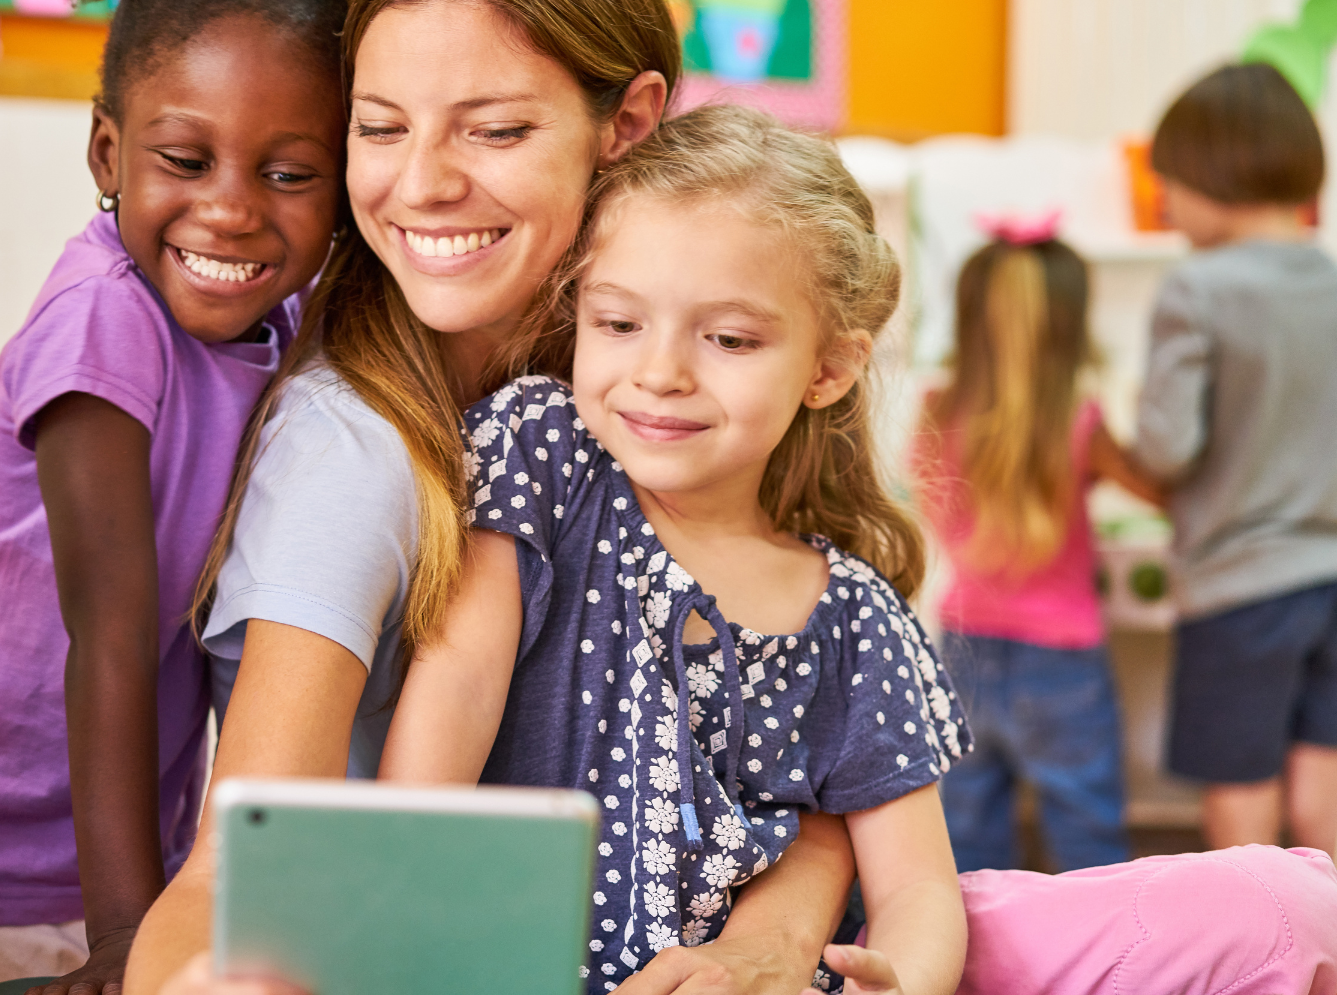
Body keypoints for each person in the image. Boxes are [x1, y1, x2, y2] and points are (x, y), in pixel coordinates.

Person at [132, 0, 863, 995]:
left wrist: (771, 936)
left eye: (496, 129)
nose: (421, 184)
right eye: (379, 128)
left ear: (626, 120)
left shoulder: (664, 412)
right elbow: (239, 858)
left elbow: (810, 742)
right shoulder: (360, 449)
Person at [0, 0, 365, 992]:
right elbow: (109, 630)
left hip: (117, 845)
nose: (233, 209)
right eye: (185, 162)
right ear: (108, 155)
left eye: (289, 175)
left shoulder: (279, 316)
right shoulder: (102, 321)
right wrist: (125, 934)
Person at [379, 106, 970, 995]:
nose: (660, 373)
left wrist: (900, 984)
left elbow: (920, 886)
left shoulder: (854, 617)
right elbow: (457, 681)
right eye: (618, 324)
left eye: (729, 340)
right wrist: (391, 908)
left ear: (829, 369)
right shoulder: (546, 458)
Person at [912, 215, 1163, 872]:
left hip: (963, 647)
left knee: (967, 840)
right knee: (1089, 839)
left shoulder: (935, 410)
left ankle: (979, 970)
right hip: (1063, 660)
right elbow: (1164, 492)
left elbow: (929, 507)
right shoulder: (1081, 424)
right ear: (1066, 329)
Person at [1135, 61, 1337, 856]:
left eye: (1171, 184)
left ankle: (1255, 971)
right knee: (1322, 782)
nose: (1165, 204)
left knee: (1242, 794)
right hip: (1332, 576)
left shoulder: (1198, 290)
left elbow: (1166, 448)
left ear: (1213, 175)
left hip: (1240, 587)